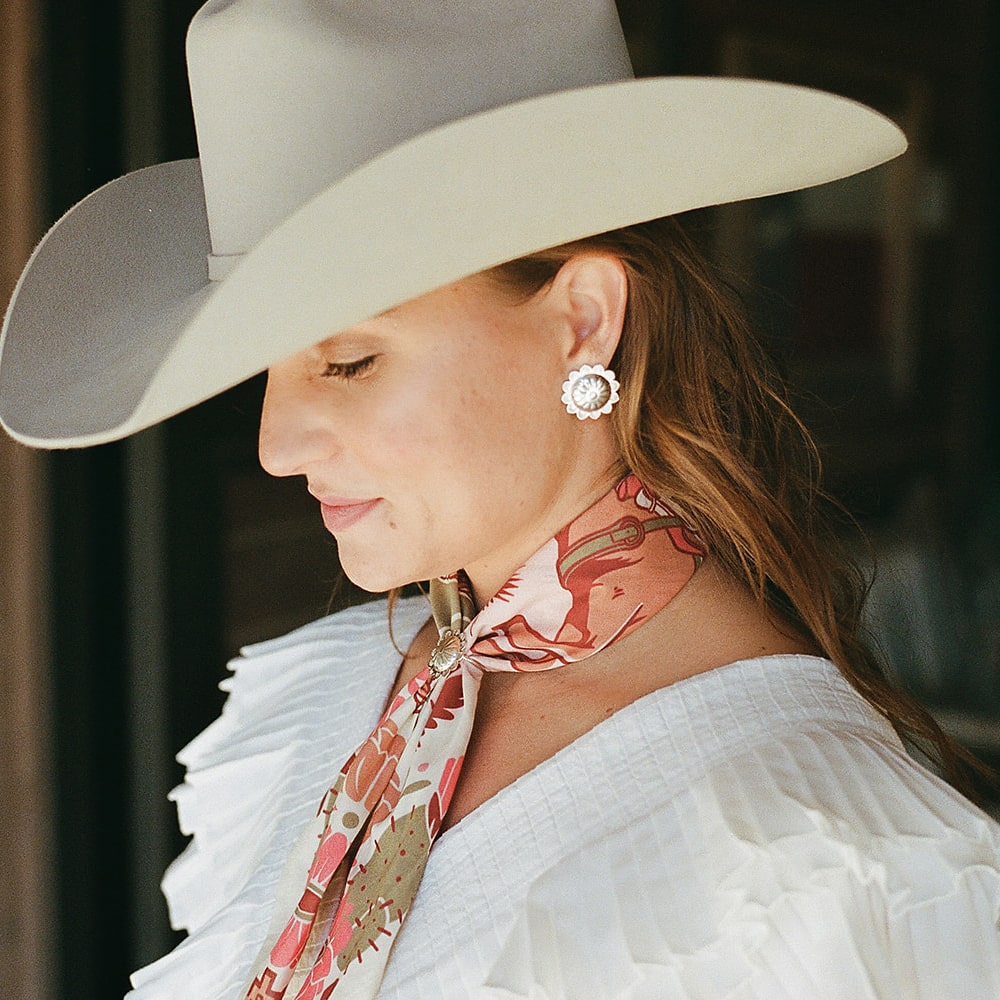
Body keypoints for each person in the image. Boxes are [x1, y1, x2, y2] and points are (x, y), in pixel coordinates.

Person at [2, 2, 998, 998]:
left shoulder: (819, 863)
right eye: (262, 370)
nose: (274, 445)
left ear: (582, 321)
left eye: (348, 360)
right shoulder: (335, 701)